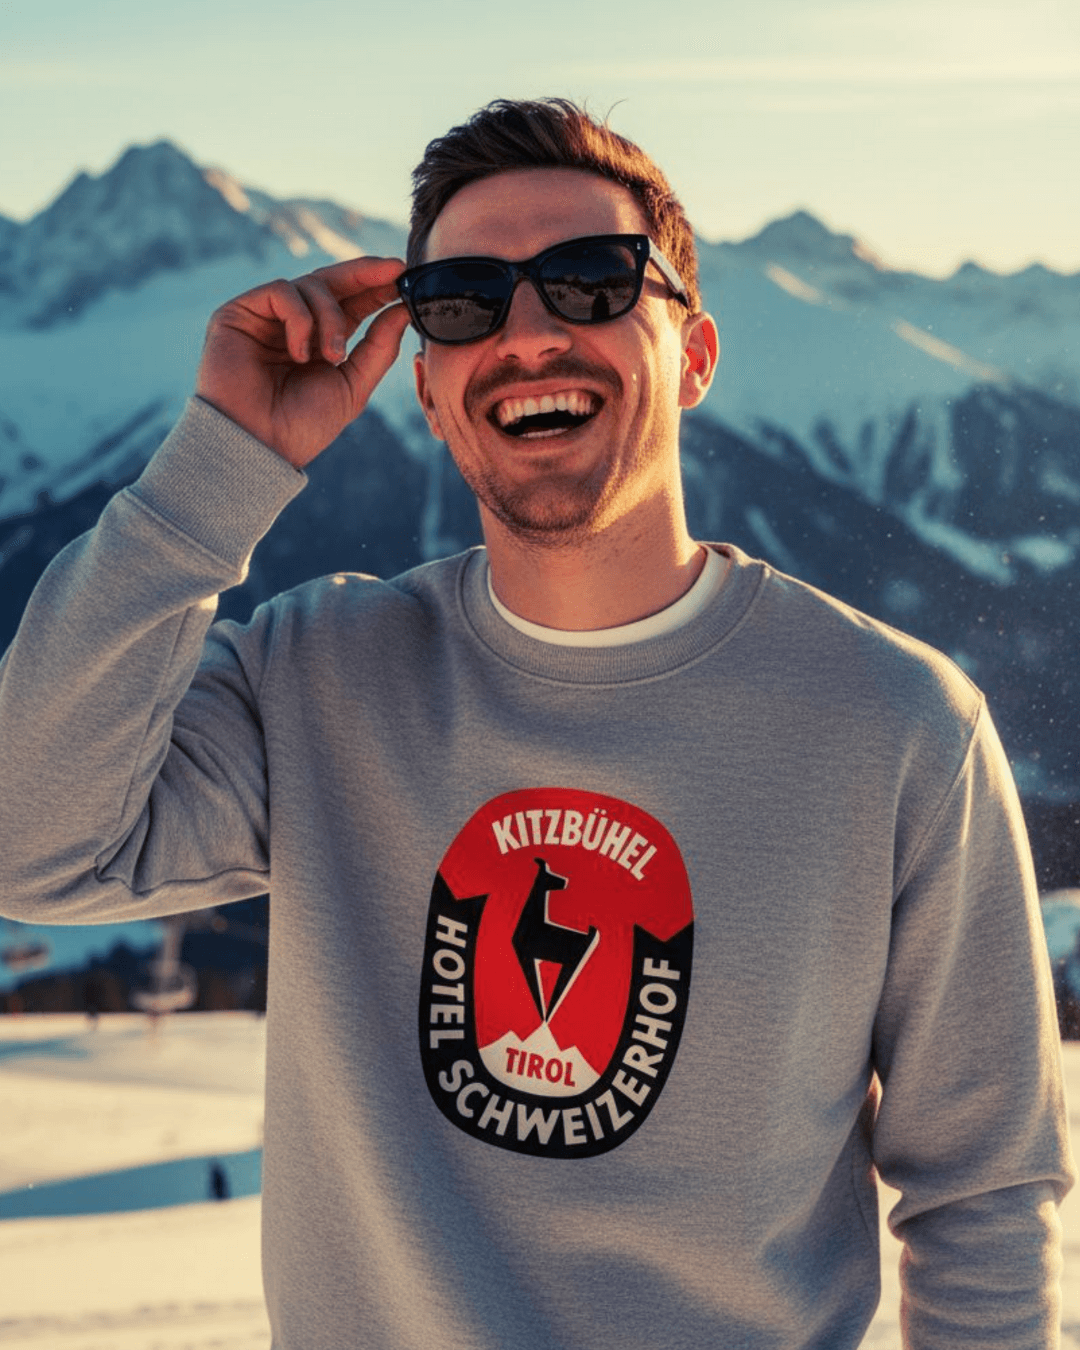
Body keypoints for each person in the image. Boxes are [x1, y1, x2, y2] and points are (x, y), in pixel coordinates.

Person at [0, 98, 1072, 1349]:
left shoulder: (898, 724)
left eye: (589, 281)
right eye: (462, 298)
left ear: (694, 353)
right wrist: (224, 457)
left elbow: (982, 1193)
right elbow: (35, 841)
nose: (527, 333)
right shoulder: (317, 676)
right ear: (430, 390)